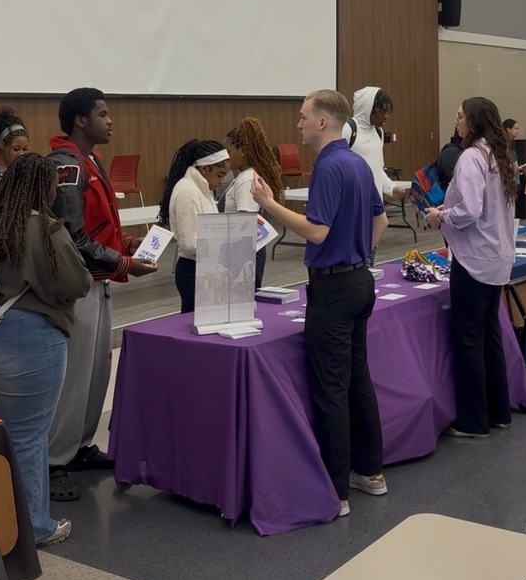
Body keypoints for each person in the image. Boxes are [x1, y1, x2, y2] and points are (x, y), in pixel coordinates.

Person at [252, 90, 388, 518]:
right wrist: (359, 257)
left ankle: (335, 490)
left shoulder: (329, 168)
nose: (299, 124)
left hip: (334, 289)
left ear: (323, 122)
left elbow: (316, 232)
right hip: (359, 281)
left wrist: (270, 205)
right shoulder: (359, 164)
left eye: (303, 117)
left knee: (332, 388)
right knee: (357, 379)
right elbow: (379, 219)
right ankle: (371, 473)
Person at [0, 153, 92, 547]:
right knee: (27, 435)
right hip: (28, 339)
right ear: (43, 187)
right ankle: (34, 526)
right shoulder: (43, 228)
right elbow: (75, 283)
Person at [47, 88, 158, 503]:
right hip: (77, 285)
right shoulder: (65, 166)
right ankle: (54, 460)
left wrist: (125, 243)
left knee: (95, 374)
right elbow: (71, 237)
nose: (110, 121)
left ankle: (78, 448)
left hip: (99, 278)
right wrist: (124, 263)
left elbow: (94, 226)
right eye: (103, 114)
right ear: (80, 120)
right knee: (74, 377)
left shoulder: (89, 160)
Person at [424, 98, 516, 439]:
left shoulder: (471, 159)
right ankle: (498, 411)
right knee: (489, 335)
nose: (456, 120)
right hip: (495, 258)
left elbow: (470, 210)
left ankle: (473, 420)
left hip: (475, 259)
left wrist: (440, 216)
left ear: (474, 122)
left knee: (468, 339)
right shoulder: (498, 157)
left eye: (461, 116)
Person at [159, 140, 230, 314]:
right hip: (193, 272)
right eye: (220, 175)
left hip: (207, 268)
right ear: (204, 169)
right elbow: (189, 243)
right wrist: (225, 244)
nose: (222, 181)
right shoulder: (187, 191)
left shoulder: (203, 189)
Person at [224, 118, 284, 290]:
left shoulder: (246, 181)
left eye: (228, 151)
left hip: (245, 254)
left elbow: (245, 225)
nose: (225, 157)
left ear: (242, 151)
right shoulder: (244, 177)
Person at [343, 87, 406, 205]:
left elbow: (377, 169)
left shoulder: (378, 132)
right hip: (353, 202)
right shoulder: (348, 129)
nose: (386, 116)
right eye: (381, 112)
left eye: (387, 112)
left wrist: (390, 187)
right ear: (368, 109)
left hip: (375, 204)